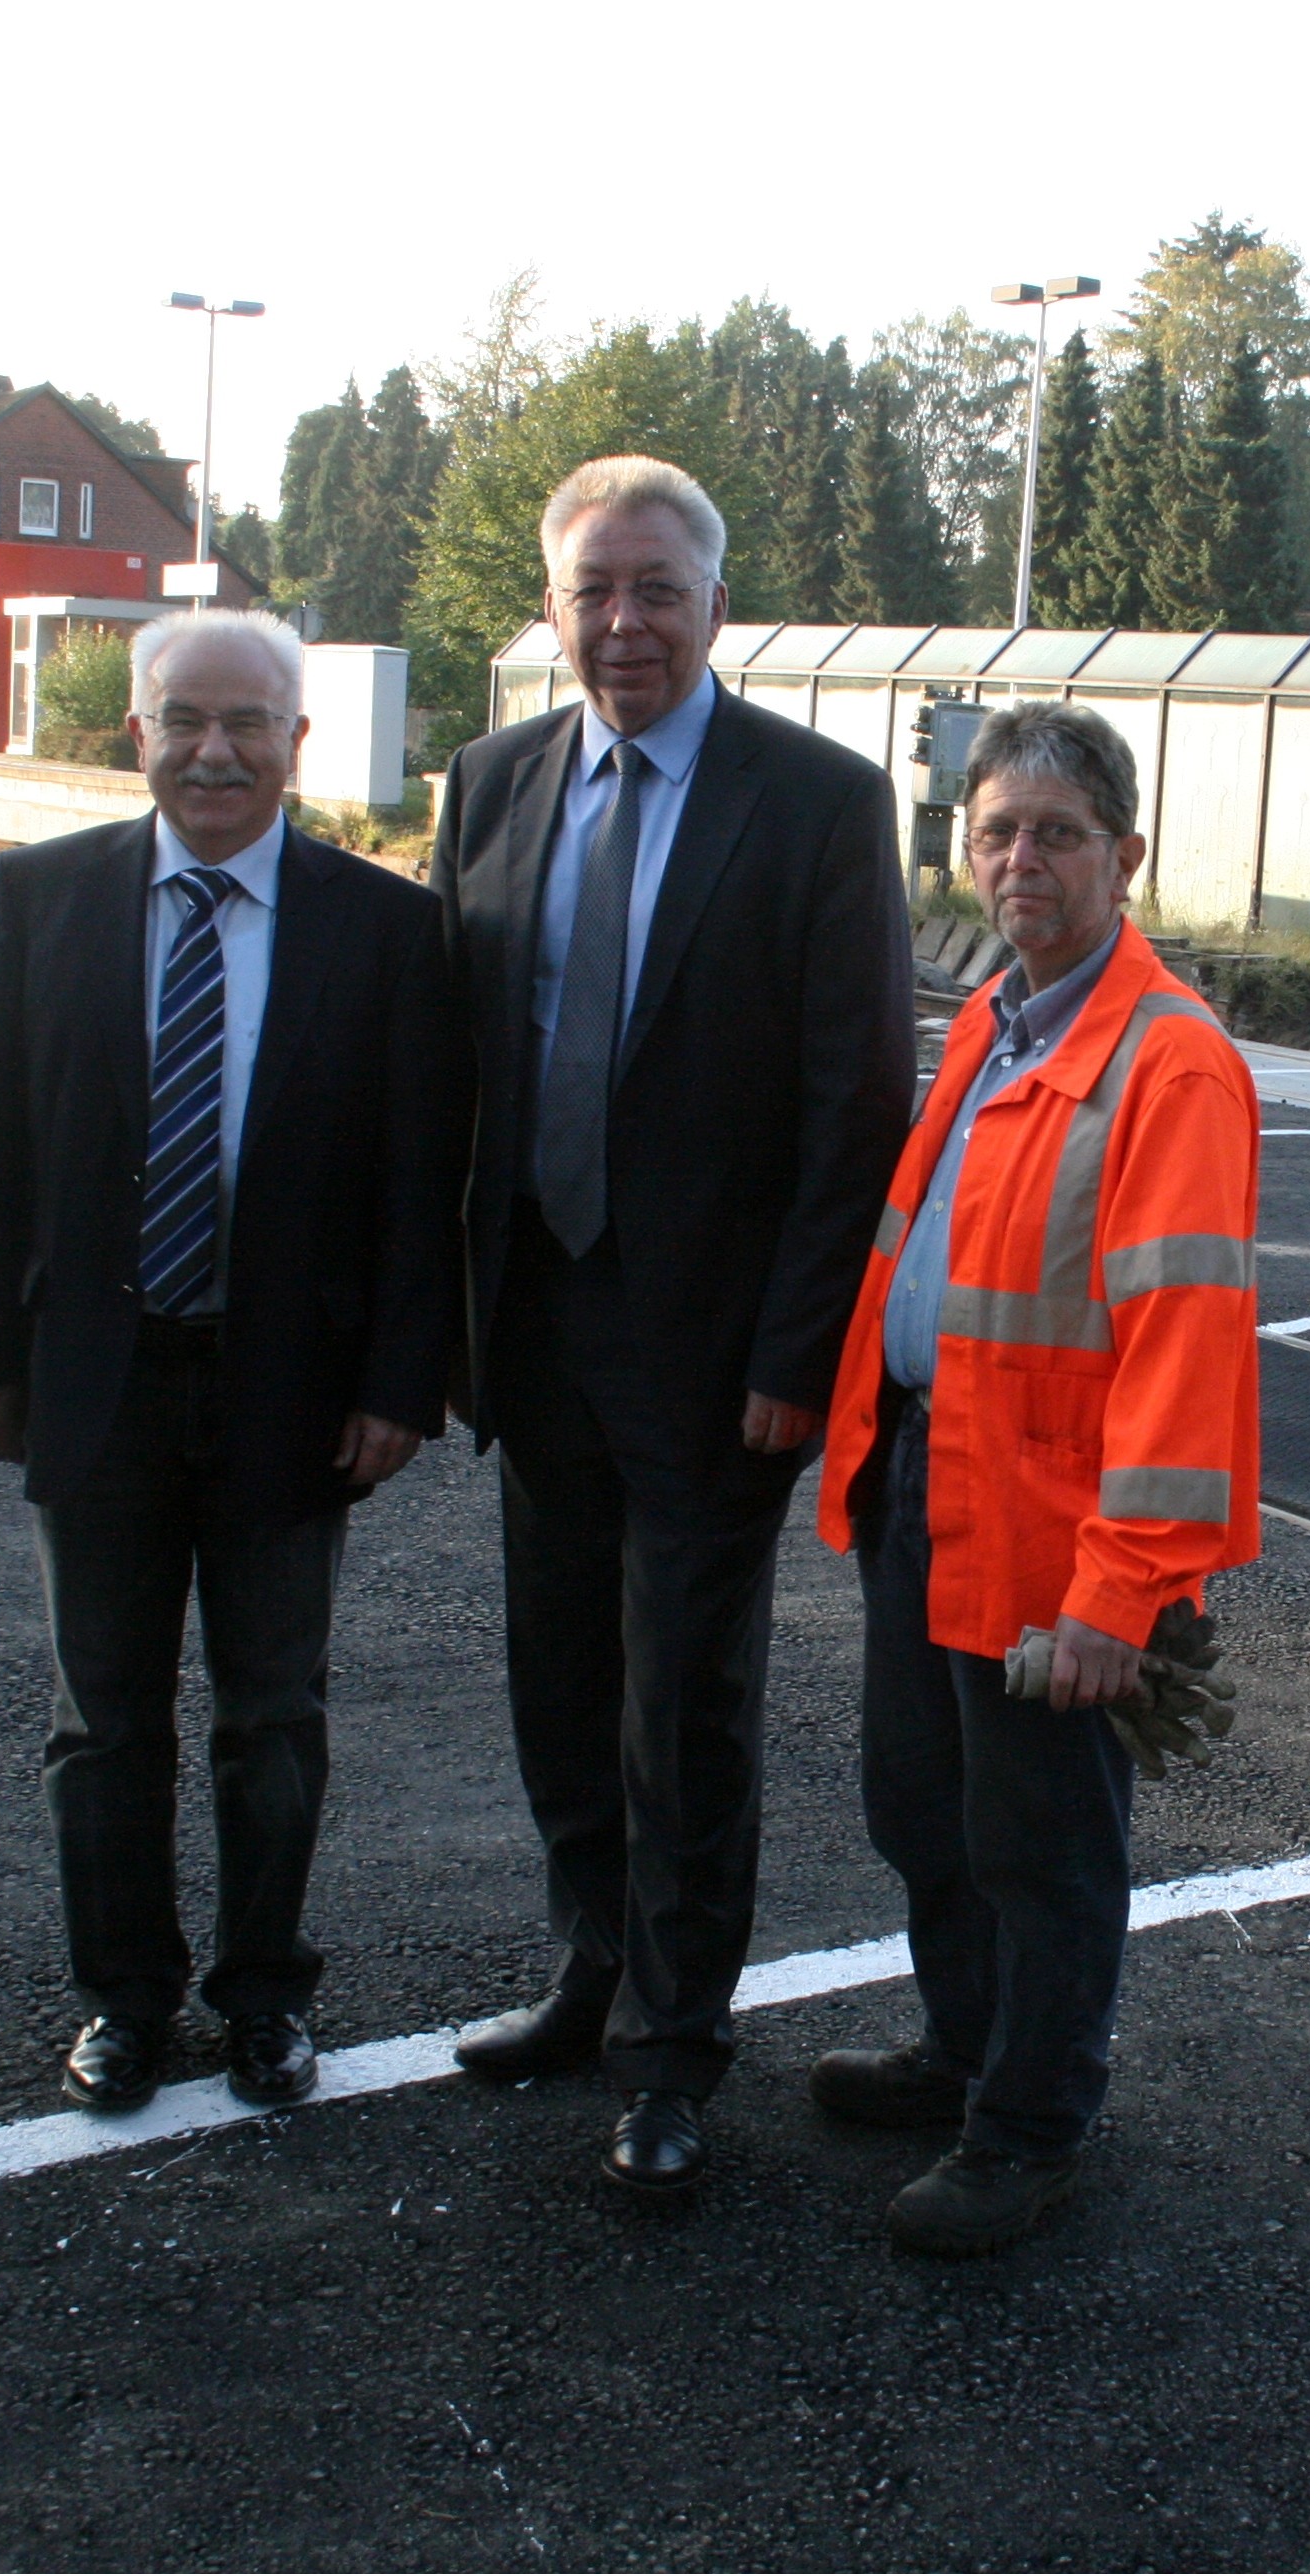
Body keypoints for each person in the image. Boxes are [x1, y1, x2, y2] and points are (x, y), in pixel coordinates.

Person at [430, 456, 912, 2193]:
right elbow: (457, 1080)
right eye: (591, 592)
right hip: (536, 1325)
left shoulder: (815, 803)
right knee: (557, 1674)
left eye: (656, 589)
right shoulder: (488, 785)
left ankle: (675, 2041)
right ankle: (589, 1960)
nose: (622, 622)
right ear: (552, 609)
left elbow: (853, 1105)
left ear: (716, 605)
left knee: (682, 1698)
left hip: (717, 1356)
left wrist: (799, 1356)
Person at [0, 609, 468, 2116]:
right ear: (137, 733)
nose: (215, 750)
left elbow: (416, 1178)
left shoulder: (381, 930)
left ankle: (262, 1995)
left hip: (287, 1392)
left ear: (298, 746)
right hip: (94, 1383)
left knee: (272, 1715)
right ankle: (121, 2000)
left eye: (249, 723)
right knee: (100, 1720)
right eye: (185, 719)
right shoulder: (42, 900)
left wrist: (395, 1380)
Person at [809, 700, 1262, 2256]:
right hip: (929, 1482)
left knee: (1044, 1846)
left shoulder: (1167, 1060)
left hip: (1053, 1523)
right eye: (998, 831)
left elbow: (1183, 1355)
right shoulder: (1001, 1024)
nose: (1022, 860)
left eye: (1058, 834)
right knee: (921, 1807)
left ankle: (1031, 2124)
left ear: (1125, 858)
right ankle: (964, 2051)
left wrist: (1122, 1591)